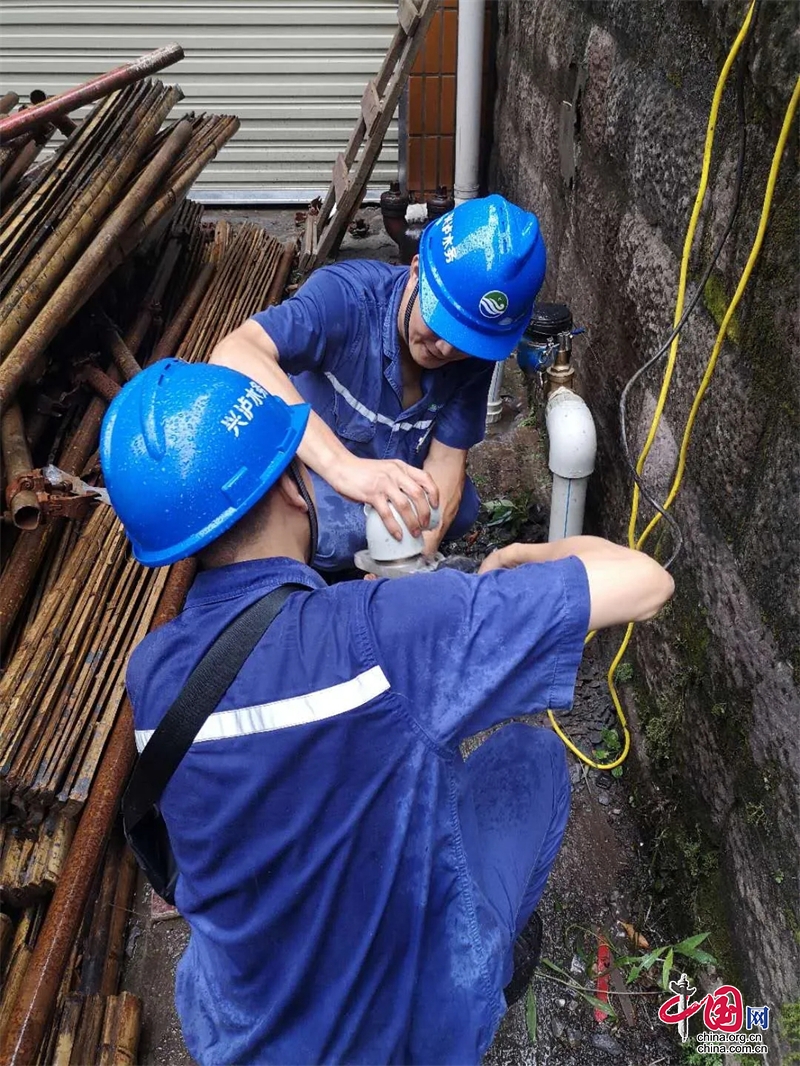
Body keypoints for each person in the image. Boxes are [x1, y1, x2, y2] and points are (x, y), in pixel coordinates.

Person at [101, 360, 674, 1065]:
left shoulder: (151, 675)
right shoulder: (389, 630)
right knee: (528, 758)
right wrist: (525, 552)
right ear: (292, 485)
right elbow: (646, 581)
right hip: (410, 1036)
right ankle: (487, 972)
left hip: (240, 1035)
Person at [209, 193, 547, 572]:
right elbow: (235, 352)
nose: (447, 347)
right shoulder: (343, 299)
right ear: (416, 271)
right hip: (314, 467)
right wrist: (345, 469)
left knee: (459, 507)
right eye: (441, 321)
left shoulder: (473, 357)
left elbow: (447, 461)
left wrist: (408, 566)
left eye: (468, 340)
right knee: (334, 533)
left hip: (389, 471)